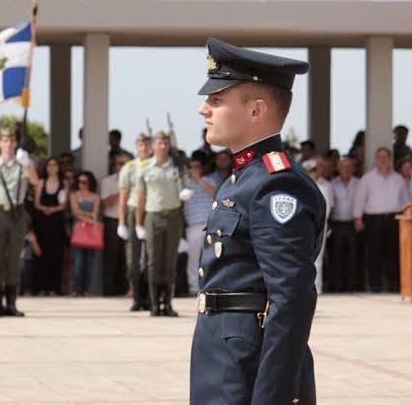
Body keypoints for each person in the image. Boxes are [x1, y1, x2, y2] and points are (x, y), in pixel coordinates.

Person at [190, 38, 326, 404]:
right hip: (224, 360)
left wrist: (273, 396)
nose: (204, 109)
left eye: (217, 100)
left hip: (249, 372)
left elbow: (292, 299)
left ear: (256, 111)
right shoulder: (244, 178)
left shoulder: (276, 185)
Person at [0, 127, 39, 317]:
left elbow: (35, 181)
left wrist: (27, 164)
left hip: (17, 212)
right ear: (0, 143)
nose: (9, 144)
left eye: (12, 140)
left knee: (14, 259)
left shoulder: (22, 163)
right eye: (5, 140)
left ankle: (11, 303)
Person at [135, 131, 188, 317]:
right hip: (153, 216)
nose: (163, 146)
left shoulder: (178, 167)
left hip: (173, 216)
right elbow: (140, 197)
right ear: (153, 145)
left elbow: (185, 188)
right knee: (154, 262)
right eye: (159, 143)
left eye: (166, 143)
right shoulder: (146, 168)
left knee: (170, 261)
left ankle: (168, 303)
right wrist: (138, 223)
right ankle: (154, 303)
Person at [353, 147, 409, 293]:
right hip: (374, 220)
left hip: (394, 219)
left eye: (385, 157)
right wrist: (357, 217)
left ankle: (393, 285)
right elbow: (360, 199)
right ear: (375, 159)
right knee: (374, 254)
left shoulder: (398, 179)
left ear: (390, 159)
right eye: (379, 157)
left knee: (394, 253)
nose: (382, 159)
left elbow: (405, 201)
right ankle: (375, 286)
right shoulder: (368, 178)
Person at [117, 133, 152, 311]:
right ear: (136, 147)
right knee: (132, 259)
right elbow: (123, 196)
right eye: (140, 145)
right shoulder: (129, 167)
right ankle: (137, 297)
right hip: (132, 211)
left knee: (150, 258)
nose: (144, 148)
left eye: (146, 145)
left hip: (151, 211)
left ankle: (149, 297)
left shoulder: (155, 165)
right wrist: (121, 222)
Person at [182, 151, 218, 296]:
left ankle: (211, 285)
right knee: (193, 258)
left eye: (197, 166)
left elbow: (212, 190)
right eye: (191, 167)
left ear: (202, 168)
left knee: (210, 256)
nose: (194, 169)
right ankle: (193, 286)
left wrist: (198, 180)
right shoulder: (185, 184)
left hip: (208, 223)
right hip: (192, 225)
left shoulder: (210, 180)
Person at [33, 157, 68, 295]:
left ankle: (55, 287)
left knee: (57, 254)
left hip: (57, 222)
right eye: (50, 165)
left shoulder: (63, 183)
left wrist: (54, 209)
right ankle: (41, 287)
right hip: (42, 222)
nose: (52, 168)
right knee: (42, 254)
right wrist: (44, 208)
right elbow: (36, 203)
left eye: (55, 165)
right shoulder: (41, 182)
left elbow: (64, 204)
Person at [302, 158, 334, 294]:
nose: (312, 173)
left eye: (314, 170)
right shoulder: (300, 184)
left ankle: (317, 287)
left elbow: (329, 207)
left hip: (320, 223)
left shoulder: (326, 186)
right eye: (309, 171)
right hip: (303, 223)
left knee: (318, 256)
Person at [329, 157, 361, 292]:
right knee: (336, 257)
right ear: (338, 168)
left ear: (353, 168)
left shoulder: (359, 183)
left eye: (349, 166)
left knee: (353, 256)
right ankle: (337, 286)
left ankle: (352, 286)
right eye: (343, 166)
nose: (346, 169)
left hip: (353, 224)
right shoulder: (332, 184)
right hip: (337, 225)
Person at [69, 171, 101, 297]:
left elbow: (95, 213)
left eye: (84, 182)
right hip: (79, 229)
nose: (81, 185)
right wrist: (89, 217)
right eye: (79, 182)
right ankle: (76, 289)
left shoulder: (95, 196)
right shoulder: (74, 195)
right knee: (78, 260)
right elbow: (75, 212)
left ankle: (86, 289)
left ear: (90, 183)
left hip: (91, 231)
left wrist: (85, 214)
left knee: (90, 260)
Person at [100, 155, 127, 296]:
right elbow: (106, 203)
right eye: (121, 163)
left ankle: (124, 291)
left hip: (129, 221)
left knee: (126, 258)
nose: (123, 166)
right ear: (115, 166)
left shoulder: (134, 180)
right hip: (112, 221)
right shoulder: (108, 182)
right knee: (111, 257)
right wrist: (123, 191)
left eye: (126, 163)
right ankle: (109, 292)